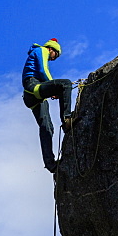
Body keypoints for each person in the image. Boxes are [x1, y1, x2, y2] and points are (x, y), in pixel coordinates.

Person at [22, 38, 74, 173]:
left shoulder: (41, 52)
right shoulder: (42, 50)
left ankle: (50, 164)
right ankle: (67, 119)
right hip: (33, 85)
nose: (54, 59)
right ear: (52, 49)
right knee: (65, 84)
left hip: (32, 97)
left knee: (47, 127)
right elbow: (42, 70)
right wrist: (53, 85)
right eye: (55, 55)